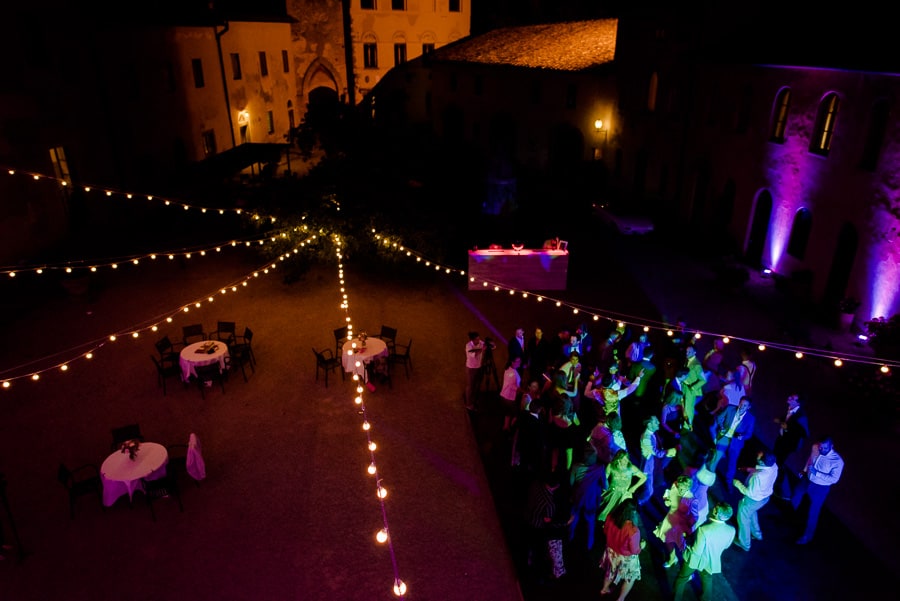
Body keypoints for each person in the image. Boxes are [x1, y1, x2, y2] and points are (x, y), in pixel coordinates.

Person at [672, 502, 735, 601]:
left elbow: (696, 551)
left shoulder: (704, 529)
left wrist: (686, 544)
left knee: (682, 578)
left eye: (715, 508)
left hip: (694, 560)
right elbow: (726, 546)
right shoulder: (731, 530)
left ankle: (677, 599)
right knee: (707, 580)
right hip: (710, 561)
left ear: (715, 512)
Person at [792, 436, 844, 544]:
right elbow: (810, 459)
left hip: (820, 488)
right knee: (796, 495)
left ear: (831, 446)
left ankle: (807, 536)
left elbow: (834, 479)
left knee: (813, 511)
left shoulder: (837, 461)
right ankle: (792, 516)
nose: (821, 450)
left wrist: (817, 473)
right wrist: (804, 470)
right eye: (820, 447)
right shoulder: (815, 447)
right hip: (807, 480)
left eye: (824, 448)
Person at [599, 499, 645, 601]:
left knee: (610, 571)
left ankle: (604, 589)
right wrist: (642, 545)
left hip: (611, 552)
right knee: (630, 577)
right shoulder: (633, 530)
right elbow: (634, 550)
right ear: (634, 513)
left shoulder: (610, 517)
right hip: (625, 558)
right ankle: (621, 598)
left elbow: (605, 531)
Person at [733, 451, 778, 551]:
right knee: (752, 513)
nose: (757, 454)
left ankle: (745, 544)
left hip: (752, 500)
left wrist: (736, 483)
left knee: (743, 520)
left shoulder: (759, 477)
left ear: (762, 462)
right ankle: (757, 534)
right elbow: (763, 471)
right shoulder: (774, 466)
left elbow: (749, 492)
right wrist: (750, 469)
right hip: (764, 498)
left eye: (759, 457)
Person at [708, 397, 755, 488]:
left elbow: (749, 434)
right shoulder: (730, 408)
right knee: (716, 458)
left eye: (745, 405)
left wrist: (742, 437)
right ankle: (709, 477)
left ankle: (728, 482)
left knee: (732, 463)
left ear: (748, 407)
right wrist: (721, 426)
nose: (741, 406)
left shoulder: (751, 419)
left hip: (736, 443)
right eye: (741, 404)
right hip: (724, 438)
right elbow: (719, 417)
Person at [654, 475, 698, 568]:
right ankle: (672, 558)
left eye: (683, 488)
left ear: (688, 488)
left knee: (682, 547)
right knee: (667, 540)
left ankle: (686, 569)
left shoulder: (692, 500)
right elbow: (668, 494)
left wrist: (687, 530)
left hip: (682, 526)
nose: (680, 490)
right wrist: (666, 500)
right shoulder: (675, 486)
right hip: (670, 520)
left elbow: (694, 517)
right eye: (679, 487)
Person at [567, 447, 606, 550]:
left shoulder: (576, 466)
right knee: (590, 522)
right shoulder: (600, 467)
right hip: (591, 500)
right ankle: (589, 544)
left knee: (574, 519)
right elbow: (605, 485)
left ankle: (569, 538)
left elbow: (571, 483)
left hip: (578, 497)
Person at [772, 393, 809, 499]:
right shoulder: (791, 409)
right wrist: (781, 420)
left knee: (778, 464)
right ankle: (775, 484)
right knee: (776, 462)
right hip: (782, 439)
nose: (789, 397)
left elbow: (805, 433)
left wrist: (788, 428)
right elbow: (789, 420)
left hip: (788, 444)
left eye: (792, 398)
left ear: (798, 403)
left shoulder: (802, 416)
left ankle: (783, 491)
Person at [636, 416, 677, 506]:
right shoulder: (646, 438)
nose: (658, 423)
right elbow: (656, 452)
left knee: (647, 487)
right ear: (649, 424)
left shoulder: (653, 433)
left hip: (652, 465)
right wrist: (668, 452)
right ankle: (638, 503)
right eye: (656, 422)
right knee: (649, 491)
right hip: (647, 468)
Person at [598, 450, 646, 521]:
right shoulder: (611, 466)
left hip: (624, 495)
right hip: (612, 493)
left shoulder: (631, 468)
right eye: (623, 459)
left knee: (621, 517)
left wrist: (634, 487)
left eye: (626, 458)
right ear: (618, 459)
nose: (625, 461)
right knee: (605, 514)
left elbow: (644, 477)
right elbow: (604, 478)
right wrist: (605, 486)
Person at [682, 345, 706, 431]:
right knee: (684, 406)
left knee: (689, 408)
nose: (687, 353)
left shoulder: (697, 364)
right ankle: (684, 424)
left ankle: (688, 426)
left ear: (694, 352)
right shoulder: (687, 361)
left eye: (689, 352)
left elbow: (703, 380)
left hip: (690, 390)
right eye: (686, 351)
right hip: (684, 387)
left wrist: (692, 387)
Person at [499, 356, 523, 432]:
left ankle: (506, 427)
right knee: (517, 415)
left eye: (520, 361)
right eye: (518, 361)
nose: (520, 362)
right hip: (509, 397)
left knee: (507, 412)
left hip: (504, 396)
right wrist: (525, 391)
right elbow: (514, 386)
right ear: (512, 362)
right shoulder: (512, 373)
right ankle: (512, 430)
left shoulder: (508, 369)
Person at [464, 331, 485, 410]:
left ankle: (474, 401)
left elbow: (492, 346)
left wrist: (490, 344)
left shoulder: (480, 343)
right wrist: (482, 349)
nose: (479, 340)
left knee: (476, 385)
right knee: (470, 386)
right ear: (472, 340)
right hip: (471, 368)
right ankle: (468, 404)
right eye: (477, 339)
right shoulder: (468, 346)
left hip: (479, 367)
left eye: (479, 339)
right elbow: (474, 354)